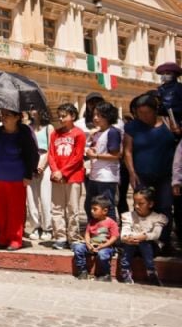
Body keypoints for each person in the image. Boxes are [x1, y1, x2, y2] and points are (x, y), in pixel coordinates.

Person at [124, 93, 178, 252]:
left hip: (165, 175)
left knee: (165, 208)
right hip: (142, 176)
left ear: (155, 111)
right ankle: (143, 244)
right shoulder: (132, 127)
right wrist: (132, 173)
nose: (143, 116)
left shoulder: (168, 123)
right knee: (142, 208)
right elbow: (127, 151)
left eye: (147, 112)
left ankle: (164, 242)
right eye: (140, 113)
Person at [0, 108, 38, 251]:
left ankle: (16, 239)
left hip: (17, 177)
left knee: (16, 210)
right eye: (2, 115)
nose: (3, 117)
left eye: (7, 115)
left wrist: (28, 175)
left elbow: (32, 155)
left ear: (18, 117)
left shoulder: (24, 133)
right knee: (1, 209)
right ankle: (3, 237)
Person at [49, 103, 86, 250]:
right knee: (57, 208)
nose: (60, 118)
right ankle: (59, 237)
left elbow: (77, 157)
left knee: (73, 208)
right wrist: (55, 171)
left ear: (73, 116)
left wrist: (63, 172)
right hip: (56, 177)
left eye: (64, 116)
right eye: (59, 115)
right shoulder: (55, 134)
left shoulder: (79, 134)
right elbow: (51, 154)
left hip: (73, 176)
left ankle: (74, 237)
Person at [120, 188, 167, 286]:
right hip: (133, 245)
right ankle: (125, 270)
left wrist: (144, 236)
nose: (136, 206)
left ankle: (151, 272)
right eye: (135, 203)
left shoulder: (157, 218)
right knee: (129, 243)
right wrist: (126, 238)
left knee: (144, 242)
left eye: (141, 203)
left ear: (150, 204)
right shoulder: (129, 216)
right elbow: (124, 231)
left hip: (151, 247)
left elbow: (156, 234)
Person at [84, 102, 122, 222]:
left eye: (99, 115)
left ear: (108, 116)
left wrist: (96, 155)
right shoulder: (96, 133)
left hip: (107, 177)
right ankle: (97, 232)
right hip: (95, 175)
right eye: (94, 114)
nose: (95, 118)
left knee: (106, 208)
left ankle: (111, 237)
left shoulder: (113, 132)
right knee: (90, 206)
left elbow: (116, 155)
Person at [72, 196, 119, 281]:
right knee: (78, 248)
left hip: (105, 247)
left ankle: (106, 274)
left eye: (95, 209)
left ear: (105, 211)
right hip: (92, 246)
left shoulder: (111, 223)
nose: (92, 211)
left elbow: (114, 237)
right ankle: (82, 271)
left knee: (103, 254)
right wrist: (88, 244)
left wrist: (103, 245)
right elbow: (87, 234)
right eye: (91, 209)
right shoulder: (92, 221)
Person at [25, 108, 54, 241]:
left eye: (34, 108)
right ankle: (35, 226)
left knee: (45, 196)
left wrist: (42, 165)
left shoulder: (49, 128)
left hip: (45, 161)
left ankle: (47, 227)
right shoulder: (28, 128)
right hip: (31, 161)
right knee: (31, 197)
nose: (32, 111)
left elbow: (51, 148)